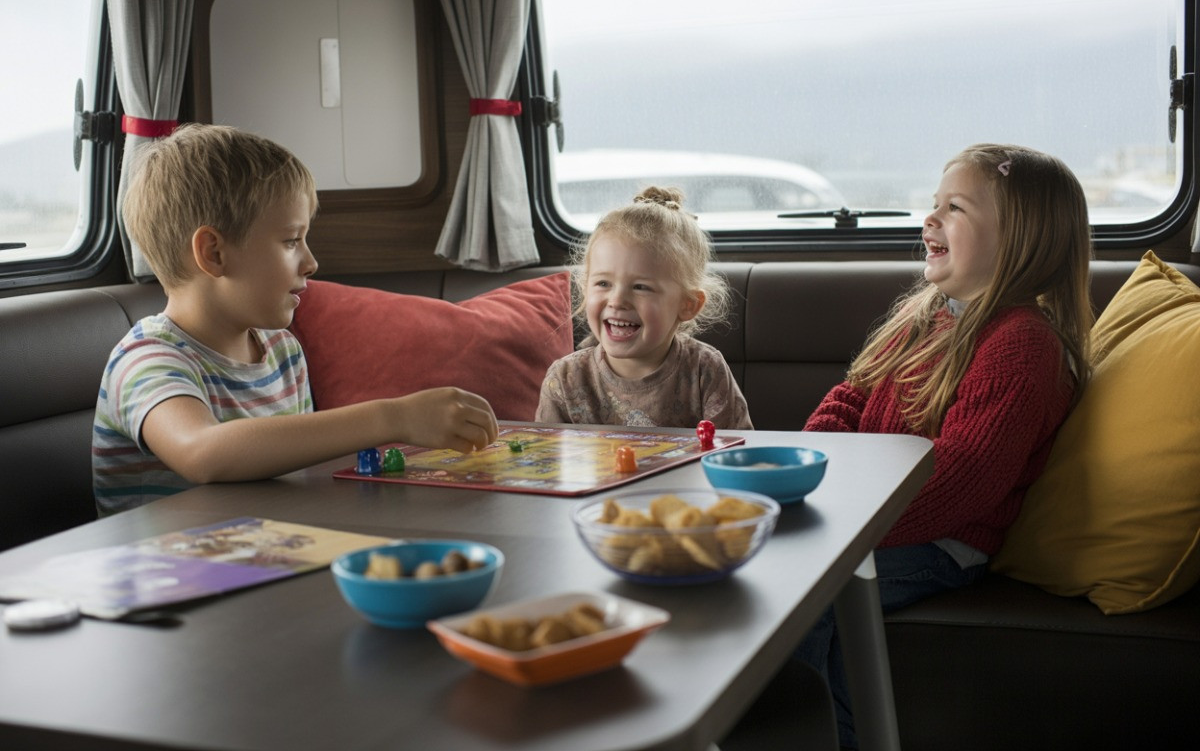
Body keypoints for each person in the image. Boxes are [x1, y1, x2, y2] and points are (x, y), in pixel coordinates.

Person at [796, 143, 1093, 748]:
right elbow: (851, 397)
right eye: (933, 204)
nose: (928, 219)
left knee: (805, 599)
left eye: (953, 208)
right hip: (869, 520)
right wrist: (810, 471)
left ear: (1018, 240)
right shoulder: (927, 314)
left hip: (941, 543)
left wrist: (844, 516)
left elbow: (962, 481)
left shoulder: (1022, 344)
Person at [92, 124, 498, 516]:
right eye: (290, 241)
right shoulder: (146, 359)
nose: (311, 262)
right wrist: (394, 417)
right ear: (214, 253)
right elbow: (203, 452)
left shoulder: (282, 352)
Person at [535, 186, 752, 429]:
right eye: (603, 283)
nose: (617, 300)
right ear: (585, 288)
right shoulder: (565, 379)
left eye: (641, 287)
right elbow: (549, 460)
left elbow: (736, 454)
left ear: (688, 304)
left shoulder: (704, 370)